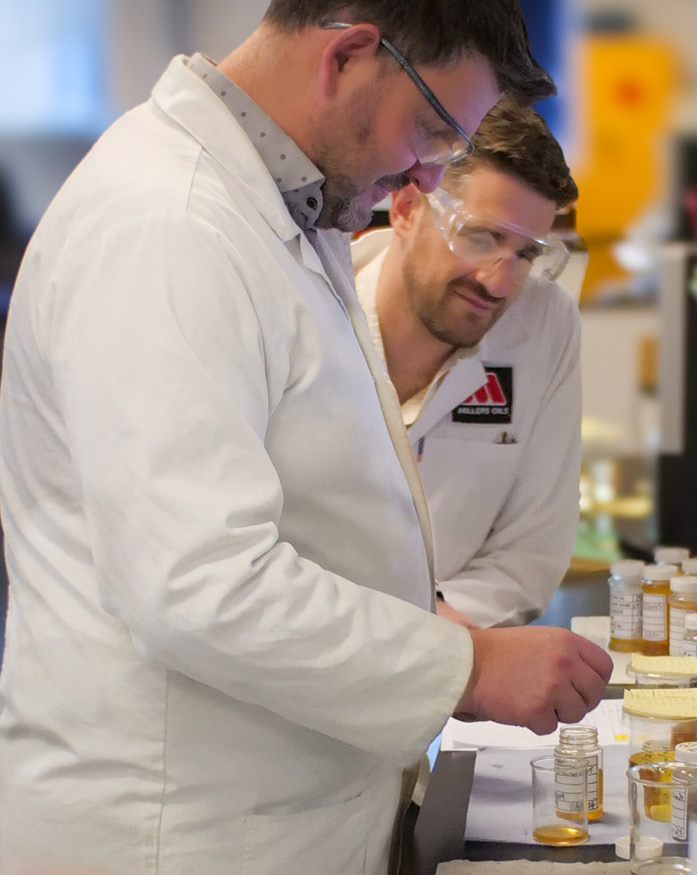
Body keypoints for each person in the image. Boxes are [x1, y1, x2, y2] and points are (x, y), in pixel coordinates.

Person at [0, 3, 613, 874]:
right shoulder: (170, 223)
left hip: (283, 808)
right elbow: (198, 582)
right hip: (177, 833)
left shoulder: (283, 214)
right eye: (432, 131)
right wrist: (467, 663)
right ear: (352, 54)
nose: (426, 171)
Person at [352, 100, 581, 628]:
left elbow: (529, 553)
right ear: (407, 209)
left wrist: (433, 645)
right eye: (481, 238)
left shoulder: (543, 324)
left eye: (526, 255)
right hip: (305, 669)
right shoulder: (309, 308)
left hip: (463, 668)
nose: (499, 282)